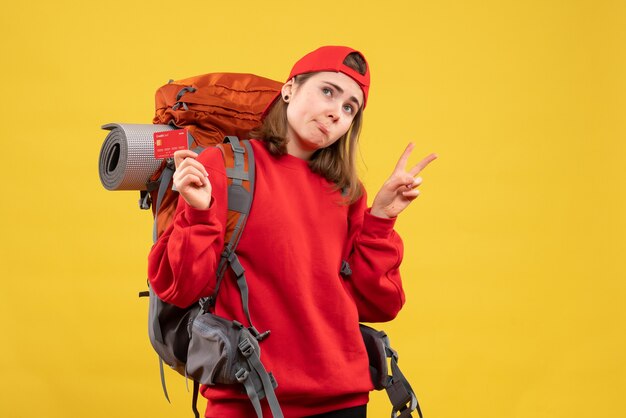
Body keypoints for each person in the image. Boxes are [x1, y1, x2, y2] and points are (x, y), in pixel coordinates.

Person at [148, 45, 437, 418]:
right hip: (249, 398)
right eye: (327, 91)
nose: (336, 111)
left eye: (350, 107)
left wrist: (380, 220)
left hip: (345, 399)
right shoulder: (224, 166)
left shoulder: (347, 192)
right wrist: (200, 214)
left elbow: (379, 304)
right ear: (289, 90)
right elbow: (180, 287)